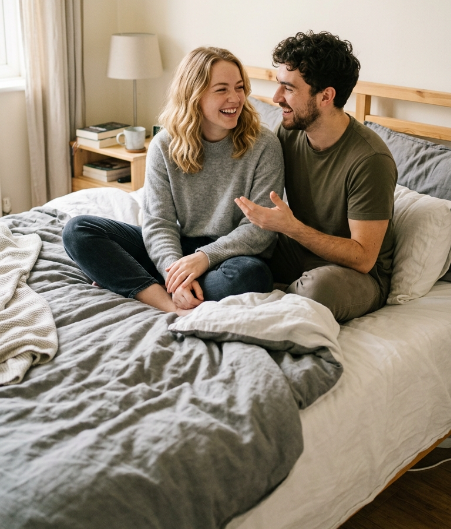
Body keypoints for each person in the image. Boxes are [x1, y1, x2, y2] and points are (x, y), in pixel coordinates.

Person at [63, 47, 284, 315]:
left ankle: (135, 279)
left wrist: (203, 259)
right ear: (194, 94)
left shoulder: (264, 145)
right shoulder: (163, 145)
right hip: (179, 248)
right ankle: (168, 302)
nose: (235, 98)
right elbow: (159, 223)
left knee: (252, 277)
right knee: (78, 231)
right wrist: (175, 269)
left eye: (239, 87)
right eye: (222, 89)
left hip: (231, 256)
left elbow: (260, 229)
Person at [235, 31, 398, 323]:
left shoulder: (370, 159)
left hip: (354, 275)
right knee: (234, 261)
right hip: (296, 253)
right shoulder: (288, 131)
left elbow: (363, 257)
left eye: (288, 88)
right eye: (278, 86)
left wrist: (292, 228)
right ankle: (277, 296)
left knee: (316, 290)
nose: (276, 98)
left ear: (326, 96)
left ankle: (279, 302)